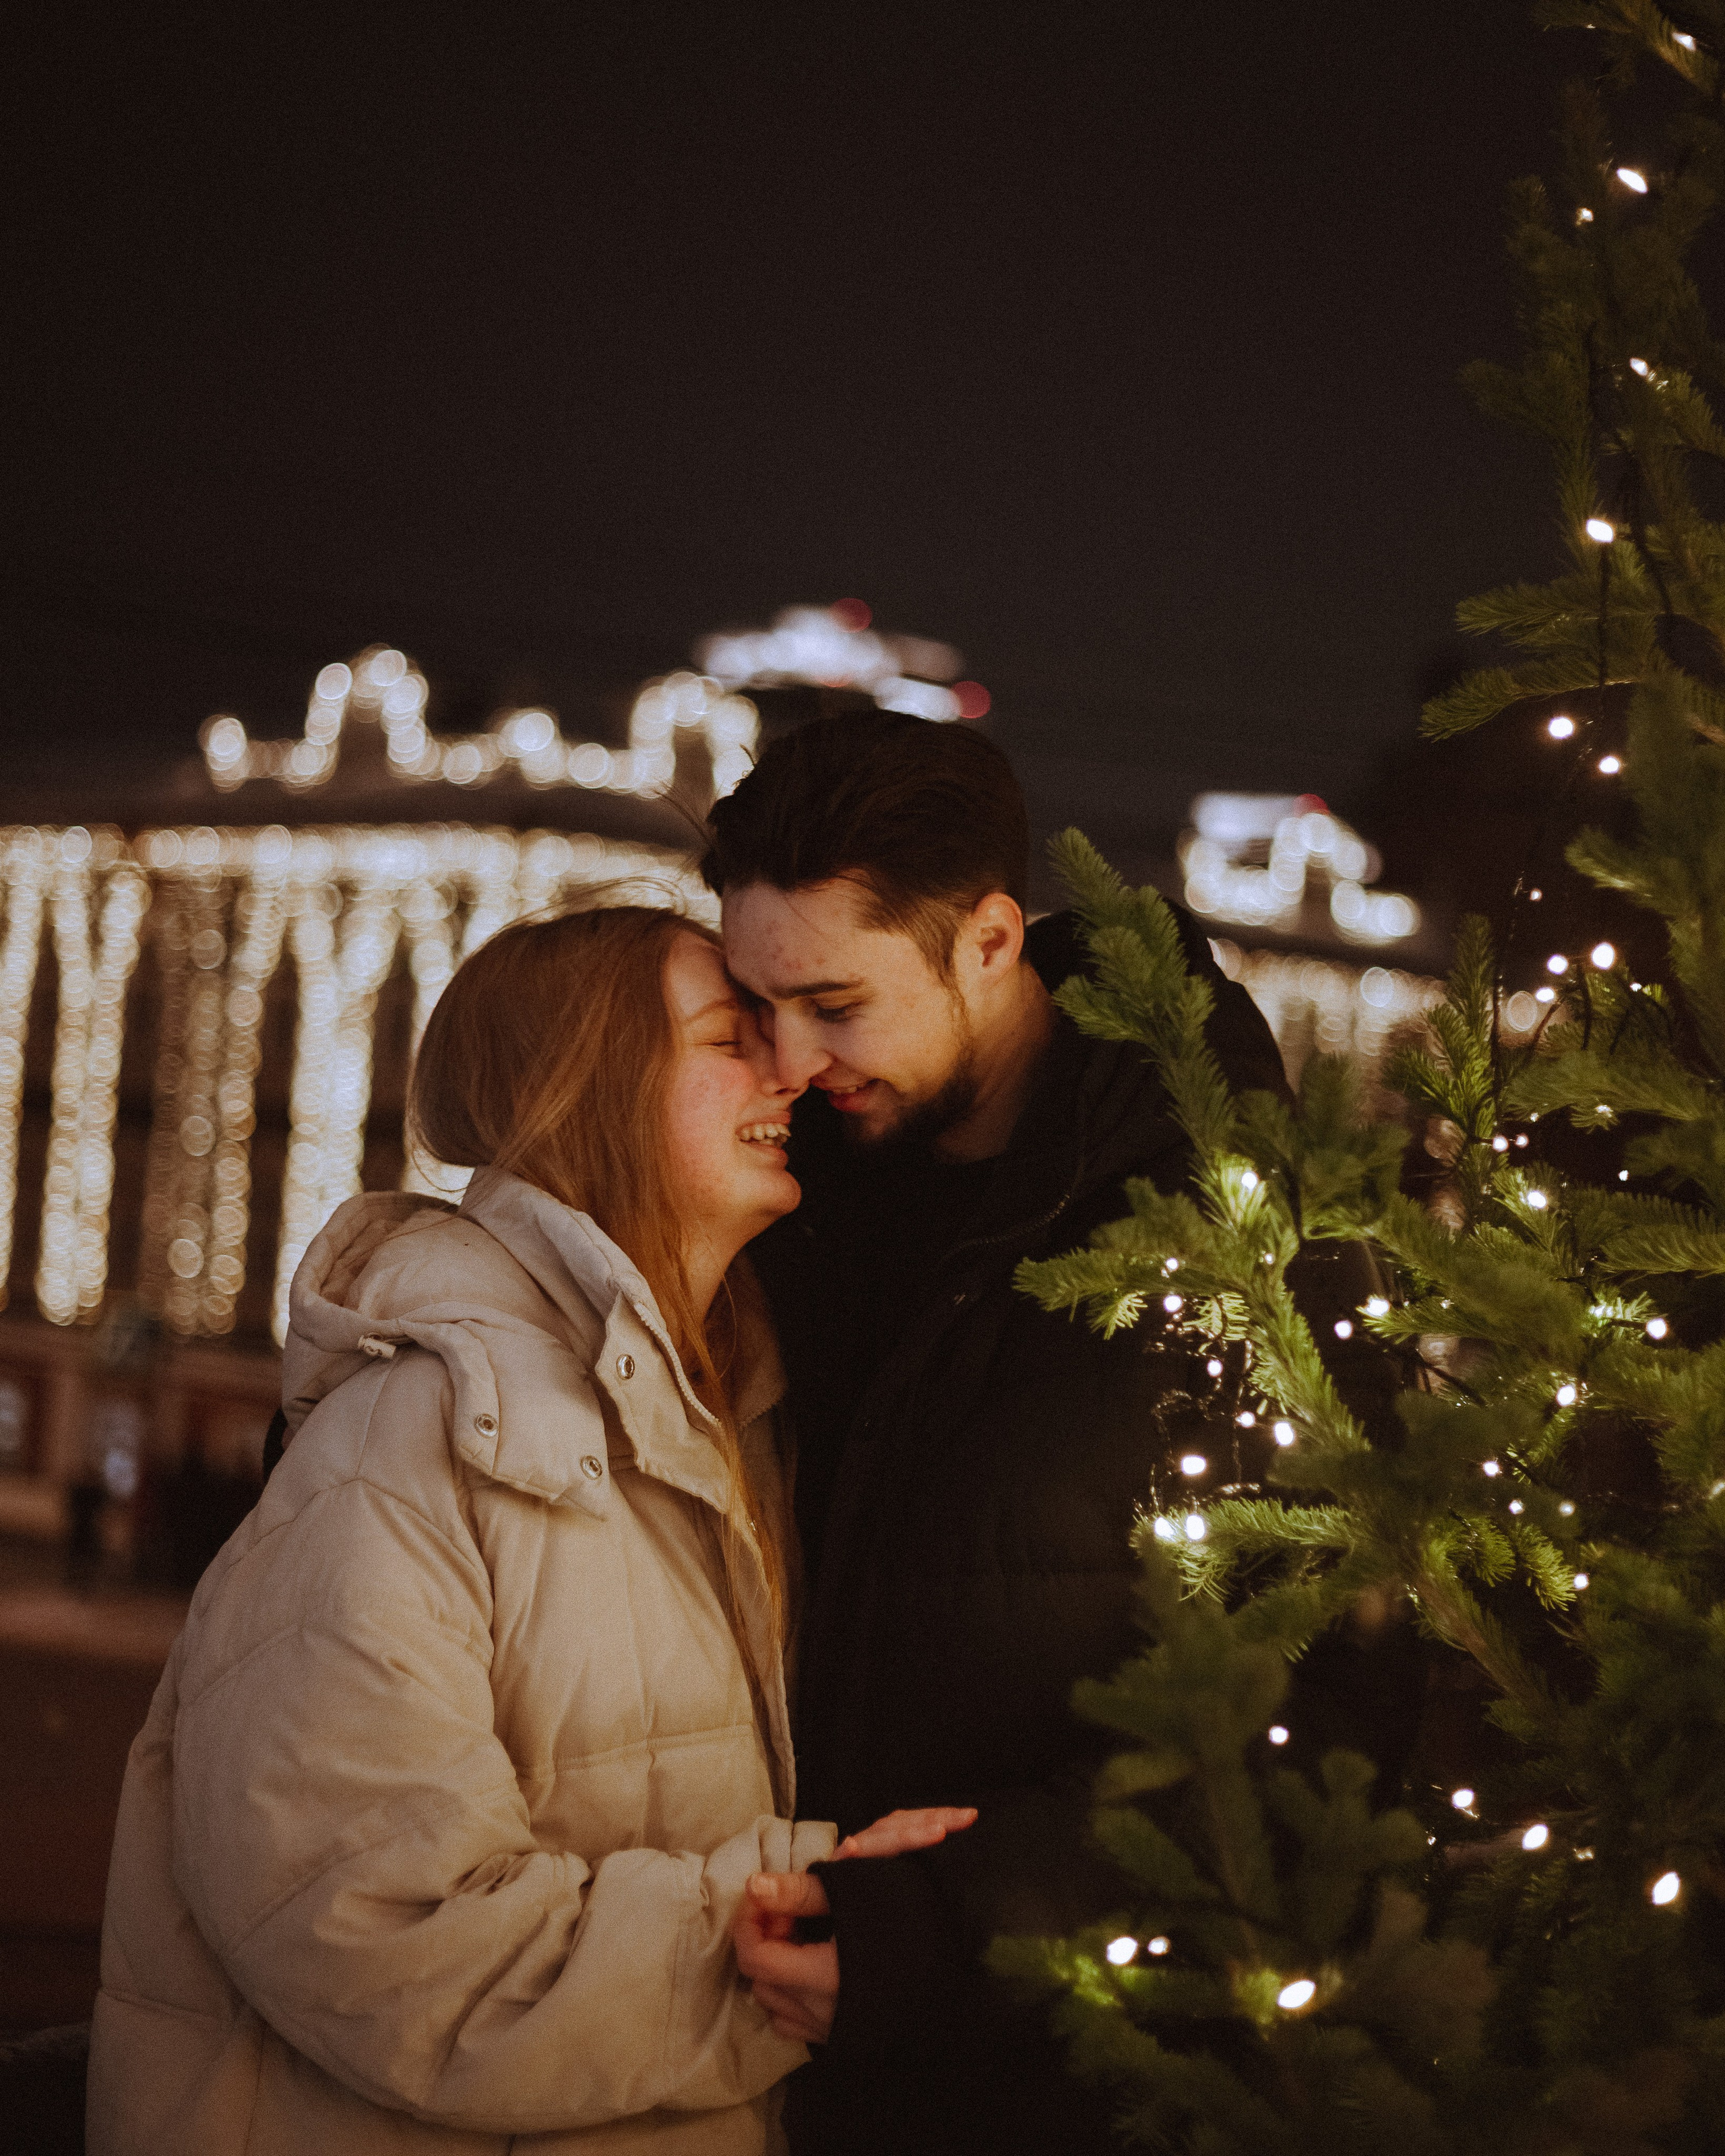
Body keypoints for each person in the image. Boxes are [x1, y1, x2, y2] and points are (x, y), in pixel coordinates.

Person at [88, 903, 970, 2156]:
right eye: (730, 1039)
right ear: (591, 1089)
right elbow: (370, 1930)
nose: (791, 1071)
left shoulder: (728, 1431)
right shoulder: (410, 1446)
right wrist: (801, 1927)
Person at [709, 716, 1415, 2153]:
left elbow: (1323, 1715)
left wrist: (950, 1922)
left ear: (987, 940)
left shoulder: (1230, 1234)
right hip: (761, 2068)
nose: (786, 1059)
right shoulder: (793, 1199)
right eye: (754, 1006)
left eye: (834, 1003)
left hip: (1071, 2083)